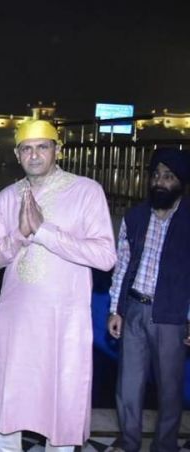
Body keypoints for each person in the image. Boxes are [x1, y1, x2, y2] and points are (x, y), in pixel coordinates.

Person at [0, 120, 116, 451]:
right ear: (17, 154)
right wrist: (20, 236)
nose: (34, 155)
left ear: (58, 150)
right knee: (9, 406)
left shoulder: (86, 191)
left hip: (63, 323)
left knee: (60, 407)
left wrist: (44, 232)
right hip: (14, 320)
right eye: (27, 148)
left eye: (43, 146)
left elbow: (105, 256)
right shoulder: (6, 198)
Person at [107, 148, 190, 452]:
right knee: (128, 386)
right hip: (134, 311)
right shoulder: (136, 216)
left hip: (172, 317)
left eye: (168, 177)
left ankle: (165, 446)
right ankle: (128, 443)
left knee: (169, 391)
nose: (159, 182)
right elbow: (122, 266)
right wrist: (116, 309)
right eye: (155, 175)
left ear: (181, 182)